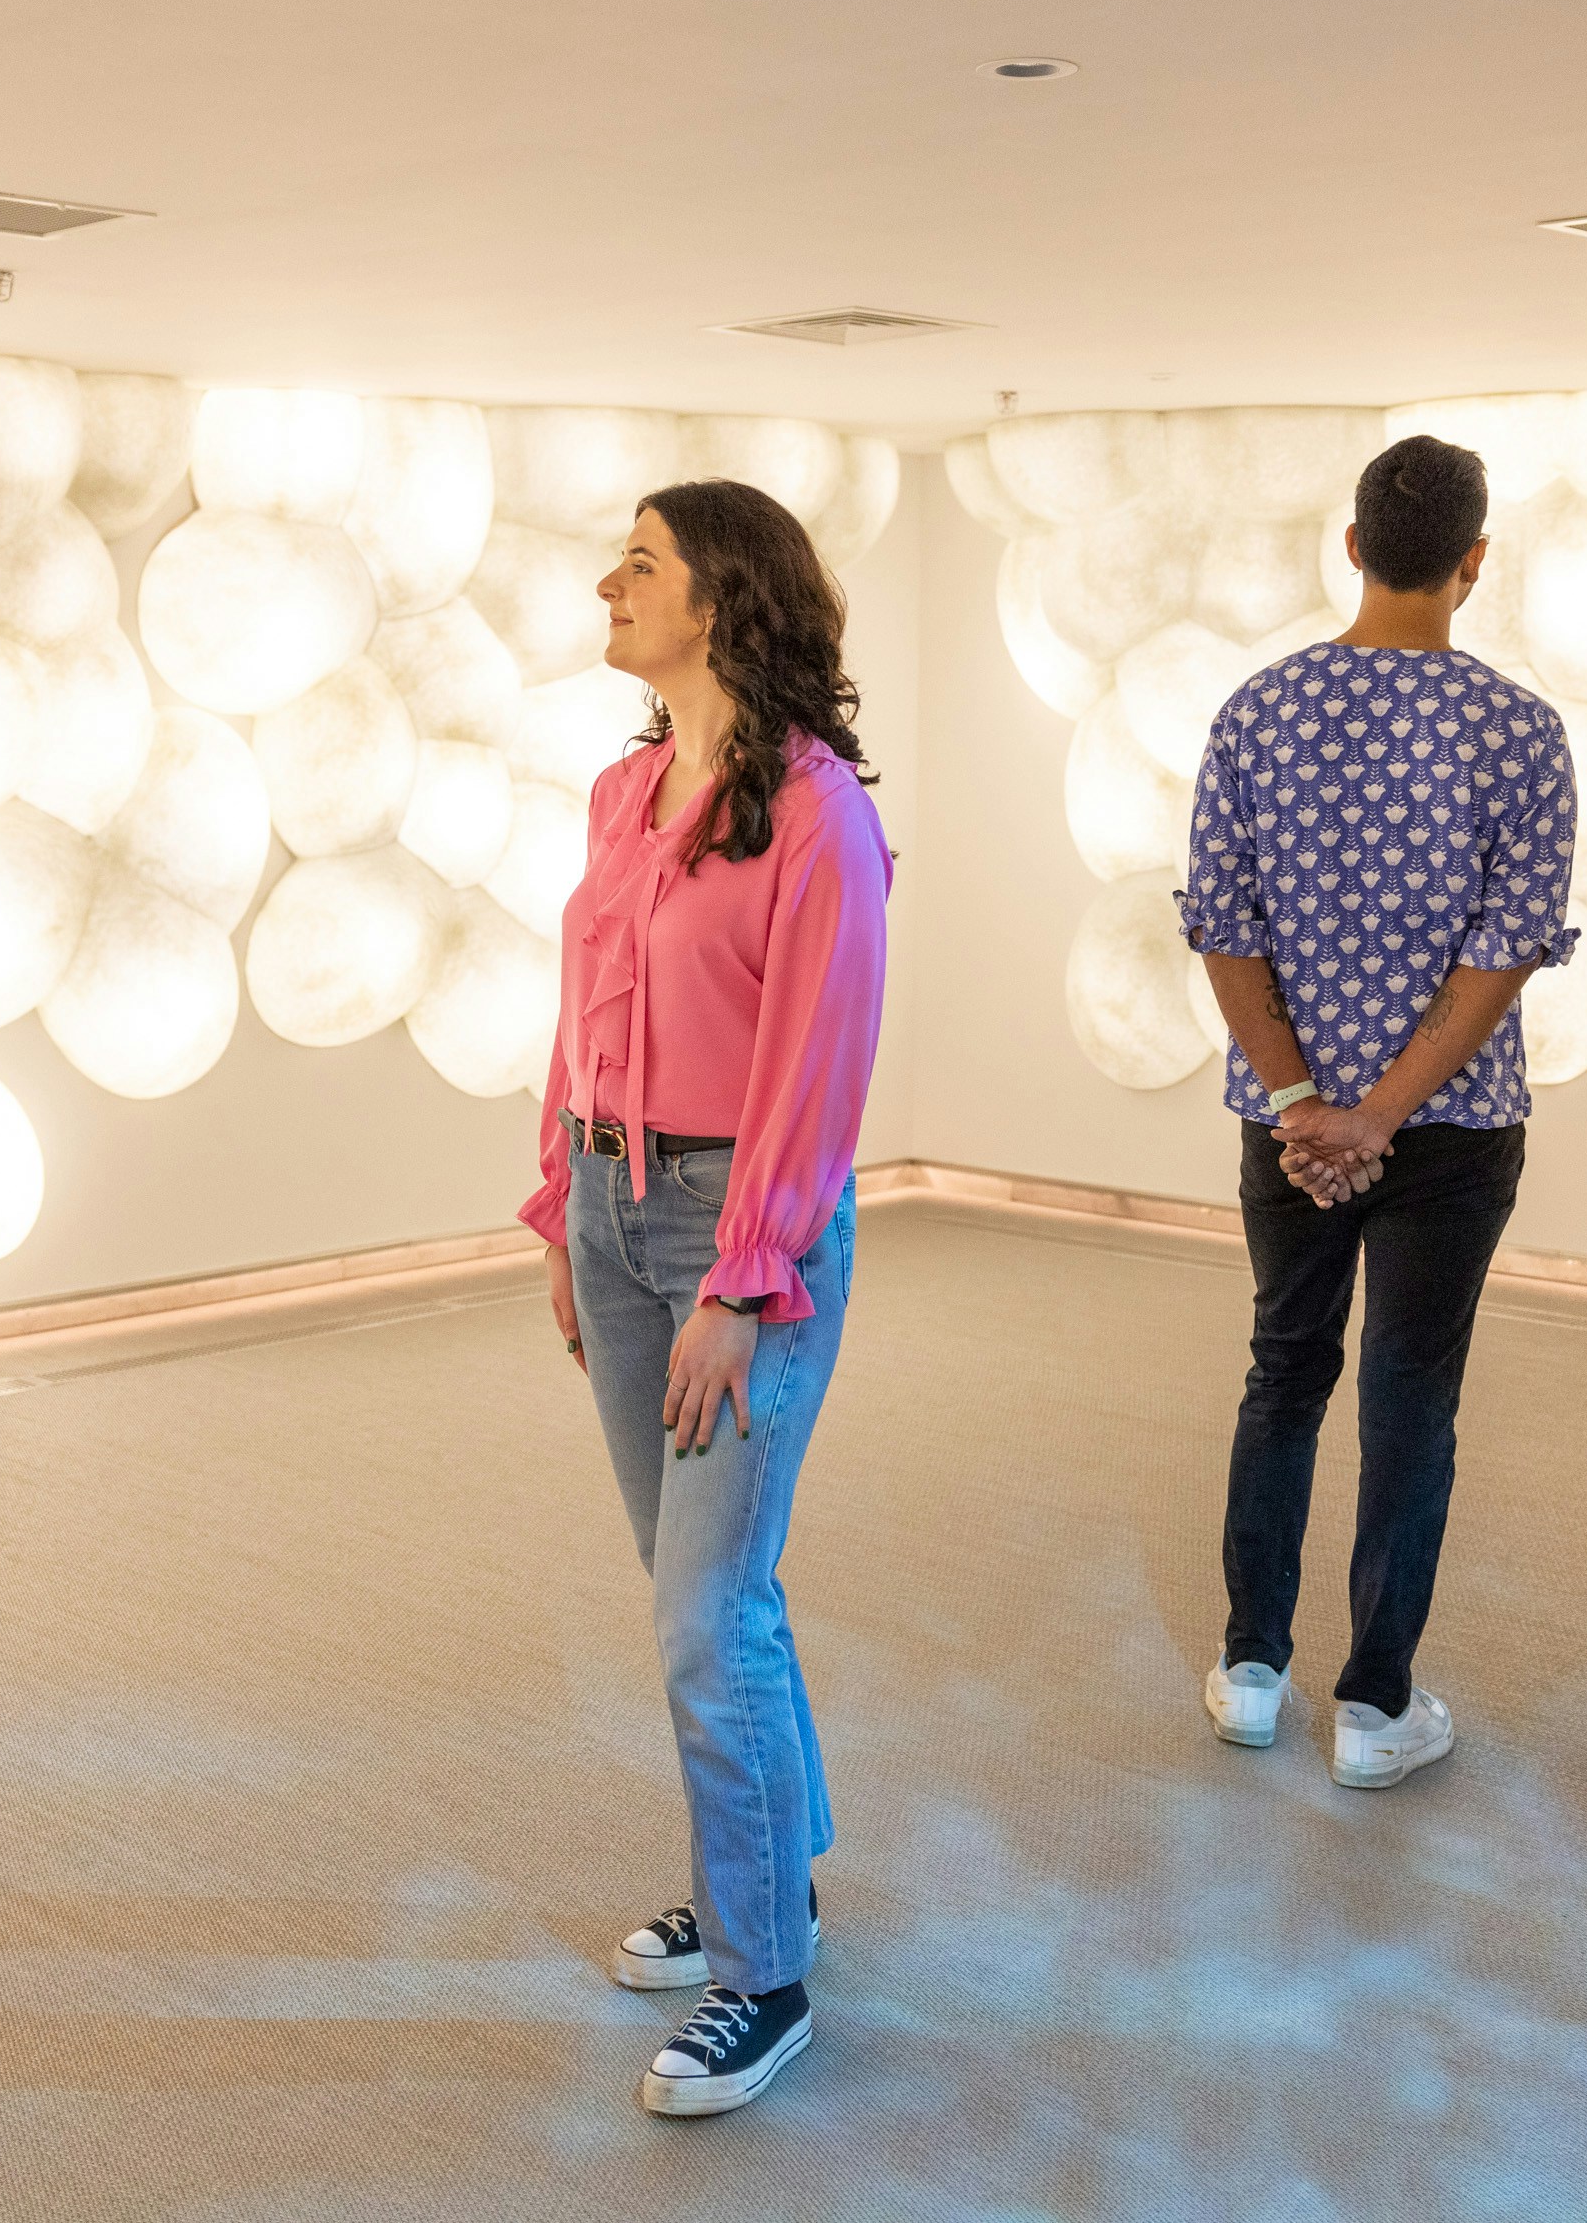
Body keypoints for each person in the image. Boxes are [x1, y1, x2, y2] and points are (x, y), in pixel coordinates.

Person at [520, 478, 891, 2117]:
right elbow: (587, 1005)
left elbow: (821, 1057)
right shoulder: (624, 788)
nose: (610, 582)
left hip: (738, 1231)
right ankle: (770, 1877)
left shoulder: (816, 811)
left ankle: (767, 1976)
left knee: (705, 1612)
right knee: (701, 1579)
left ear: (723, 596)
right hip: (614, 1206)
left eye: (643, 563)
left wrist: (741, 1277)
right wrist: (564, 1210)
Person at [1177, 433, 1578, 1791]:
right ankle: (1374, 1706)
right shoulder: (1520, 730)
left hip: (1287, 1126)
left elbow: (1221, 927)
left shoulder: (1257, 712)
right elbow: (1505, 953)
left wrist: (1308, 1103)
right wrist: (1386, 1114)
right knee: (1411, 1394)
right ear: (1473, 563)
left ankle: (1248, 1670)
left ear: (1351, 548)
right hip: (1454, 1132)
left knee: (1285, 1369)